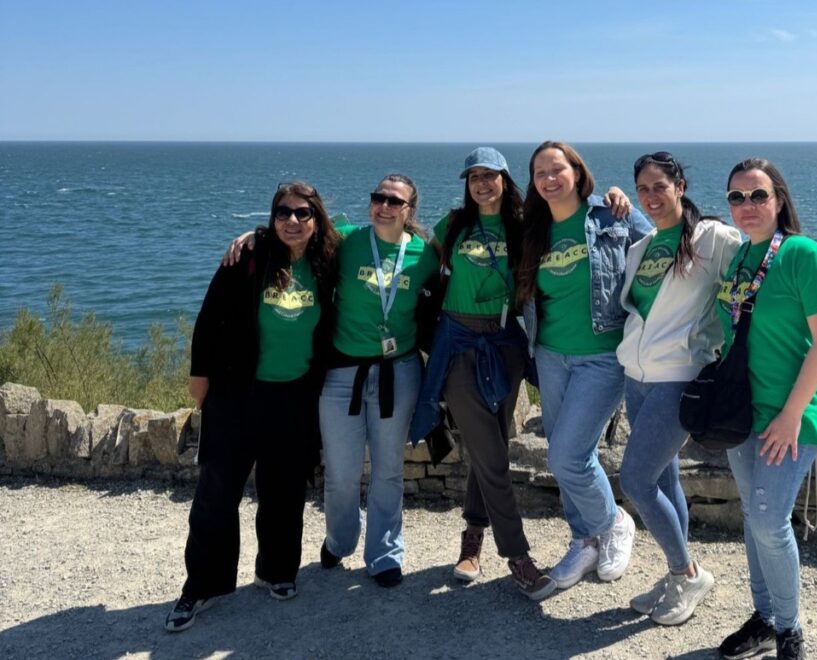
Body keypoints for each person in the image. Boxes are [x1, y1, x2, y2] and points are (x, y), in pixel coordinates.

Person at [166, 181, 338, 632]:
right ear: (271, 217)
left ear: (317, 219)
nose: (293, 221)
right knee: (217, 493)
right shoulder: (249, 258)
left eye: (303, 213)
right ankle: (202, 586)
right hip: (238, 393)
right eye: (283, 212)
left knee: (285, 491)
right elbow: (208, 318)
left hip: (296, 395)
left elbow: (372, 232)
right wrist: (200, 378)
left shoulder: (327, 263)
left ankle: (276, 572)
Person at [409, 147, 556, 600]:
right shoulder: (453, 226)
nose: (481, 183)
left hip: (505, 343)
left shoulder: (523, 226)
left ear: (505, 180)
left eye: (490, 175)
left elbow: (573, 228)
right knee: (491, 453)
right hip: (457, 346)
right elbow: (412, 254)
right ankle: (518, 557)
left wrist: (616, 199)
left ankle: (471, 538)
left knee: (492, 443)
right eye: (473, 176)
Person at [715, 159, 817, 660]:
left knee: (769, 520)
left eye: (757, 195)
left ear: (780, 199)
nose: (747, 207)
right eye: (736, 197)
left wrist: (792, 415)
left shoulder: (801, 255)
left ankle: (789, 629)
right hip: (745, 411)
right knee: (754, 515)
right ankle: (765, 617)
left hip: (791, 414)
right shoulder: (740, 259)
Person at [515, 141, 652, 590]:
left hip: (604, 356)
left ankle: (614, 524)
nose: (549, 178)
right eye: (539, 172)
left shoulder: (611, 216)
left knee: (567, 454)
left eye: (557, 169)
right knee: (570, 452)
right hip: (550, 355)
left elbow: (660, 253)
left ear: (577, 171)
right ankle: (585, 539)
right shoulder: (532, 230)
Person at [617, 152, 741, 625]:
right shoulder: (642, 246)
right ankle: (677, 574)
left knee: (635, 479)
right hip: (638, 377)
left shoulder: (712, 239)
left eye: (659, 187)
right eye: (642, 189)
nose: (651, 197)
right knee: (665, 478)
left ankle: (687, 573)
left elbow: (763, 260)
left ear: (680, 186)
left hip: (679, 378)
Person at [318, 174, 439, 588]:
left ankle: (385, 553)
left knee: (388, 469)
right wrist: (251, 236)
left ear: (409, 211)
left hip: (398, 372)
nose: (384, 206)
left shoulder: (425, 254)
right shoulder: (346, 240)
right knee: (340, 472)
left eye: (394, 200)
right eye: (378, 197)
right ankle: (339, 539)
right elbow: (294, 240)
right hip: (342, 373)